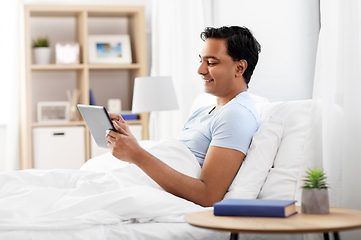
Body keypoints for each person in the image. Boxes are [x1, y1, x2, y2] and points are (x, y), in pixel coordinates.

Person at [106, 26, 261, 207]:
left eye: (211, 63)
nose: (200, 70)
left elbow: (208, 196)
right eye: (201, 61)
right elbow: (175, 160)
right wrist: (131, 143)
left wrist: (137, 155)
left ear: (240, 67)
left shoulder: (236, 115)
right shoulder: (203, 111)